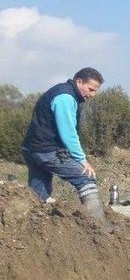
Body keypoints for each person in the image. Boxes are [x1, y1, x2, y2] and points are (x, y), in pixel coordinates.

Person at [20, 67, 112, 230]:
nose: (92, 94)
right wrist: (82, 160)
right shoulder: (66, 97)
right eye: (91, 89)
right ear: (79, 81)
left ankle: (35, 232)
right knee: (86, 177)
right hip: (46, 150)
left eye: (95, 91)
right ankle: (100, 225)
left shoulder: (61, 92)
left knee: (39, 195)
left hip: (31, 149)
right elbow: (68, 133)